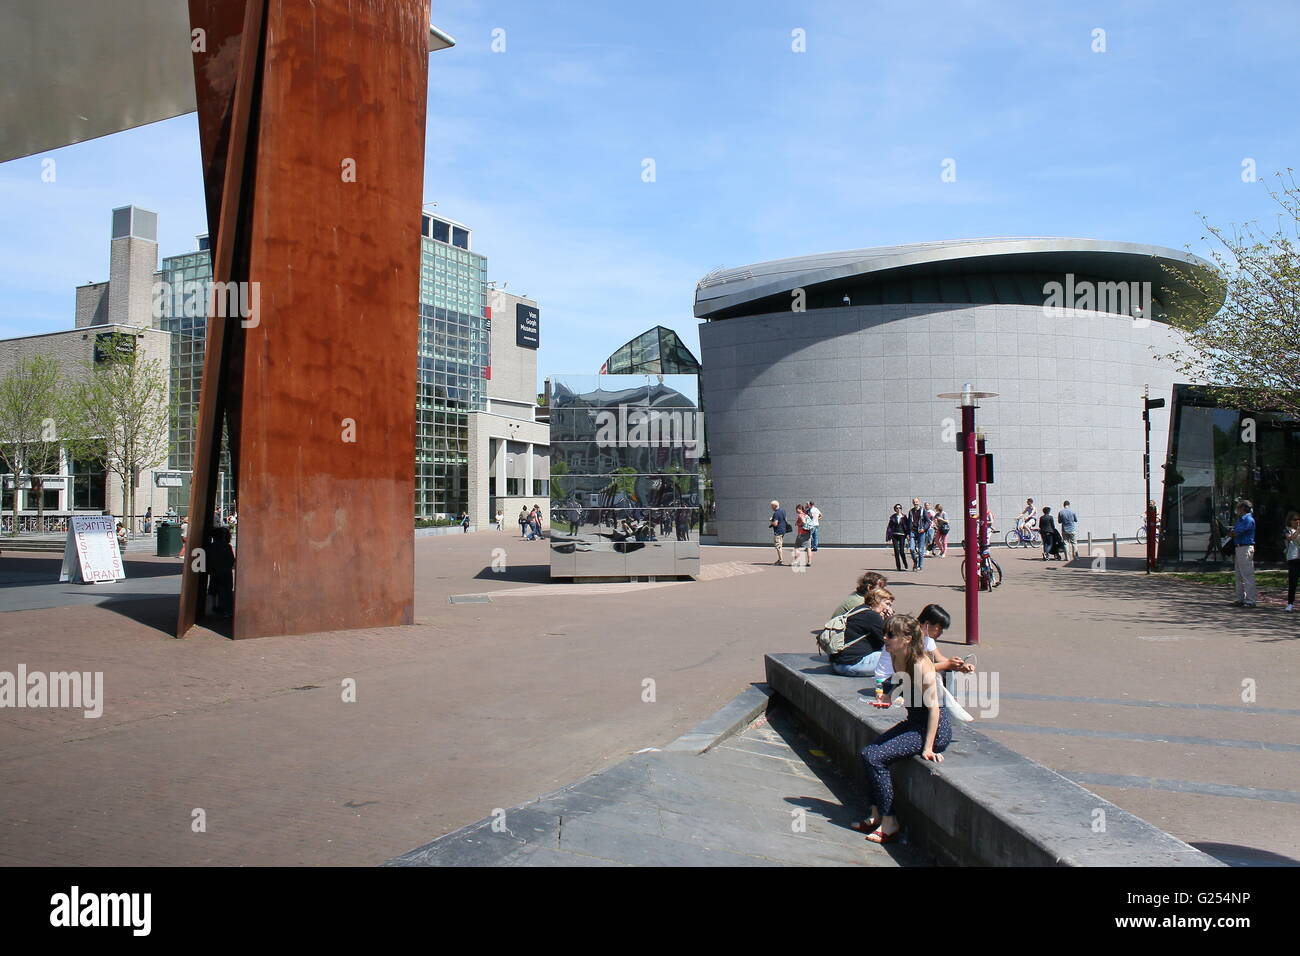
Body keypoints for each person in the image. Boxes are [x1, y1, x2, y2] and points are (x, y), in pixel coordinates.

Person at [852, 614, 951, 844]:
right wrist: (887, 696)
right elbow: (898, 680)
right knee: (867, 753)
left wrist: (928, 747)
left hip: (932, 728)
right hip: (914, 721)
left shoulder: (920, 665)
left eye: (890, 635)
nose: (884, 637)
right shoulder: (896, 655)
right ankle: (875, 813)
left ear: (907, 639)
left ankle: (890, 821)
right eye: (885, 633)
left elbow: (935, 709)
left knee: (875, 757)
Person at [873, 604, 974, 684]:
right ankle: (942, 705)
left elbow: (940, 658)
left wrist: (960, 665)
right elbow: (914, 669)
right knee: (937, 674)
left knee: (946, 671)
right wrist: (948, 665)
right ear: (927, 624)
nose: (941, 632)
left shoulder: (927, 638)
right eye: (939, 628)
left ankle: (946, 702)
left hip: (903, 677)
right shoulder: (909, 637)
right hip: (888, 681)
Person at [828, 587, 893, 676]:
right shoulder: (873, 616)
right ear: (877, 601)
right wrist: (889, 620)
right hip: (851, 665)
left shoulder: (858, 610)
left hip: (837, 663)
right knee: (896, 655)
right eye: (887, 604)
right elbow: (889, 641)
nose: (889, 608)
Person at [1229, 500, 1257, 607]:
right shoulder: (1240, 519)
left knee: (1247, 574)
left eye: (1238, 508)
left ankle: (1250, 600)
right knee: (1239, 575)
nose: (1237, 510)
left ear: (1243, 508)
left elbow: (1236, 532)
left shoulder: (1248, 520)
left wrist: (1232, 533)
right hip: (1239, 547)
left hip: (1245, 547)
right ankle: (1240, 598)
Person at [206, 526, 236, 618]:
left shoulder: (211, 546)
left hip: (214, 571)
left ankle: (213, 607)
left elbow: (208, 559)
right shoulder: (226, 546)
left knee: (213, 590)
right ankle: (227, 610)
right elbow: (231, 559)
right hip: (225, 571)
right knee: (226, 591)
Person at [907, 497, 930, 571]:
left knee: (920, 550)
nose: (915, 503)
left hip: (921, 532)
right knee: (911, 548)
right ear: (912, 503)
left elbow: (928, 522)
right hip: (912, 532)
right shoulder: (911, 511)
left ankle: (920, 566)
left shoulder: (923, 510)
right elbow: (908, 523)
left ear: (919, 502)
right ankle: (915, 563)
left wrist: (924, 528)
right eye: (914, 502)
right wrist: (908, 533)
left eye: (916, 502)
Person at [886, 504, 908, 572]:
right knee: (896, 551)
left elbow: (907, 526)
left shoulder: (904, 517)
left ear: (901, 509)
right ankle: (898, 567)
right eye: (897, 508)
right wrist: (888, 537)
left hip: (902, 535)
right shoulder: (892, 517)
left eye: (900, 508)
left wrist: (908, 535)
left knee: (901, 551)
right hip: (894, 535)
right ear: (895, 509)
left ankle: (905, 563)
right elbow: (889, 527)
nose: (898, 509)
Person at [1284, 511, 1299, 612]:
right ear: (1290, 521)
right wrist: (1297, 531)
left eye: (1299, 519)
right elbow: (1291, 539)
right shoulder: (1287, 530)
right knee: (1293, 582)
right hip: (1293, 558)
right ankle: (1290, 604)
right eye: (1295, 520)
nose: (1297, 521)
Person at [769, 500, 789, 565]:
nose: (771, 507)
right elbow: (786, 519)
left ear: (774, 506)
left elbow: (775, 524)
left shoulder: (776, 513)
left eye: (772, 506)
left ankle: (780, 560)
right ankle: (780, 559)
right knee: (780, 545)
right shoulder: (783, 511)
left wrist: (771, 521)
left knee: (778, 546)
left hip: (778, 531)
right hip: (783, 530)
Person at [793, 504, 813, 568]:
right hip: (808, 532)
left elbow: (803, 522)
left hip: (801, 533)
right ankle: (809, 562)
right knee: (808, 548)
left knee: (796, 547)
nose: (796, 510)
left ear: (799, 509)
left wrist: (798, 524)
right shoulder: (806, 515)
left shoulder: (800, 515)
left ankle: (796, 561)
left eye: (796, 509)